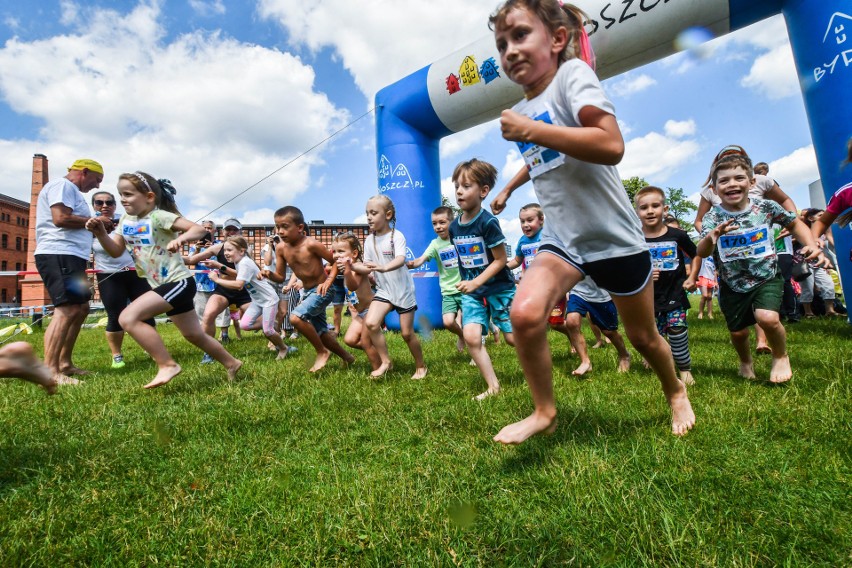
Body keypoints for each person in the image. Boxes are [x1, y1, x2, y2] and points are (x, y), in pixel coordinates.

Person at [488, 0, 695, 443]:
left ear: (557, 40)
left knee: (642, 337)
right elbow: (545, 155)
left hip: (613, 238)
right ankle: (544, 411)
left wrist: (530, 131)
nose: (509, 50)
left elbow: (609, 143)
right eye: (502, 44)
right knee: (524, 314)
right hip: (565, 237)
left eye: (520, 35)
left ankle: (674, 388)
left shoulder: (573, 77)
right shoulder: (524, 108)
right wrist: (508, 187)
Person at [86, 172, 242, 389]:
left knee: (128, 317)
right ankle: (232, 362)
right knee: (193, 335)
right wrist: (102, 233)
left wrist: (181, 239)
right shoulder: (124, 221)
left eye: (128, 194)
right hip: (162, 285)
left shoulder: (158, 216)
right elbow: (115, 251)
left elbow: (197, 230)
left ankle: (167, 364)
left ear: (149, 197)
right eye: (121, 194)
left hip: (178, 282)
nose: (122, 199)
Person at [695, 156, 827, 383]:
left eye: (739, 178)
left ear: (752, 182)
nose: (732, 184)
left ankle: (780, 355)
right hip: (732, 283)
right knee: (738, 332)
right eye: (724, 181)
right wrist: (711, 237)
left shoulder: (766, 207)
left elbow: (794, 223)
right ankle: (745, 361)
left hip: (766, 276)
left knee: (767, 318)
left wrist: (811, 243)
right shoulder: (713, 217)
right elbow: (702, 251)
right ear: (715, 189)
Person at [447, 159, 515, 400]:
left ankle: (538, 355)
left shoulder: (488, 222)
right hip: (473, 293)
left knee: (512, 338)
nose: (458, 191)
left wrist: (477, 281)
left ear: (484, 191)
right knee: (472, 337)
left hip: (500, 288)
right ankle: (493, 386)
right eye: (457, 186)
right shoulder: (454, 227)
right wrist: (469, 283)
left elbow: (499, 260)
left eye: (466, 186)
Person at [34, 158, 105, 385]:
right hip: (58, 253)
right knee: (66, 309)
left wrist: (96, 225)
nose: (96, 186)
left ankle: (64, 364)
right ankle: (49, 370)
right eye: (97, 180)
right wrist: (94, 222)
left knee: (81, 307)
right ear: (84, 172)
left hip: (72, 257)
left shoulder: (72, 191)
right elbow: (61, 218)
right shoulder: (62, 186)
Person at [263, 206, 355, 372]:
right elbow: (280, 276)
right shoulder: (281, 248)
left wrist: (328, 280)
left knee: (296, 317)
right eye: (277, 227)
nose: (280, 231)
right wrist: (268, 274)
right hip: (307, 293)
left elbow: (334, 261)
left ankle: (322, 352)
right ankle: (347, 357)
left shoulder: (311, 244)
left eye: (285, 226)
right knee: (321, 332)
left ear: (299, 228)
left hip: (323, 290)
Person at [351, 196, 428, 379]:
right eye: (367, 213)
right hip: (384, 291)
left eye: (373, 213)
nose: (369, 217)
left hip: (403, 291)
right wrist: (351, 266)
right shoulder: (369, 240)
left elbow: (401, 259)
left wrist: (384, 267)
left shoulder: (397, 236)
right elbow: (367, 265)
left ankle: (421, 366)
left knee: (407, 334)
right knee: (371, 323)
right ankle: (386, 361)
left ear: (388, 215)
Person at [636, 186, 700, 386]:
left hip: (675, 293)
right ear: (637, 212)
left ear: (665, 209)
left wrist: (693, 277)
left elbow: (697, 254)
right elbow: (627, 264)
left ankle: (685, 369)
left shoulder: (677, 235)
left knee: (677, 330)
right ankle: (655, 360)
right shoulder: (634, 238)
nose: (650, 211)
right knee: (653, 333)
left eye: (655, 206)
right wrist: (643, 275)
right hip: (647, 298)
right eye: (644, 207)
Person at [90, 190, 154, 369]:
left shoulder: (126, 220)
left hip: (135, 272)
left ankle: (151, 348)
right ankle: (117, 355)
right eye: (99, 202)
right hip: (108, 275)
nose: (104, 206)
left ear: (114, 205)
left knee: (147, 311)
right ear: (93, 205)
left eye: (109, 203)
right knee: (115, 315)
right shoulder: (89, 225)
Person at [209, 236, 296, 359]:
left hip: (269, 300)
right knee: (245, 325)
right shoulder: (238, 262)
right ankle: (270, 324)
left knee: (268, 331)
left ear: (241, 251)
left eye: (229, 250)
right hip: (257, 301)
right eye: (225, 250)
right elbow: (238, 275)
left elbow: (239, 285)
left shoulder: (245, 263)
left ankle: (283, 348)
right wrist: (220, 266)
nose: (226, 254)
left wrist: (217, 279)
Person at [185, 218, 252, 363]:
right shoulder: (217, 248)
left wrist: (218, 266)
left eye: (234, 230)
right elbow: (191, 260)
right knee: (208, 315)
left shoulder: (245, 250)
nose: (231, 232)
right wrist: (167, 255)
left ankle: (278, 344)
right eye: (228, 229)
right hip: (223, 290)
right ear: (223, 232)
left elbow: (245, 277)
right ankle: (209, 352)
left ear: (240, 232)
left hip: (242, 290)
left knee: (261, 320)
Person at [505, 202, 573, 341]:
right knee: (532, 318)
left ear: (541, 220)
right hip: (534, 288)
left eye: (530, 220)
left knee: (555, 323)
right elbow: (517, 261)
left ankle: (574, 336)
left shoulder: (549, 236)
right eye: (522, 221)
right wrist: (501, 267)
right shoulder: (522, 241)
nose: (525, 225)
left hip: (554, 287)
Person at [406, 206, 465, 352]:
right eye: (434, 223)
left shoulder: (460, 238)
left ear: (452, 222)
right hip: (448, 290)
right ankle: (463, 336)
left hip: (465, 288)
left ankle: (475, 348)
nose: (438, 227)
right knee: (448, 322)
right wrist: (408, 264)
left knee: (471, 322)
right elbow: (420, 260)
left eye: (442, 222)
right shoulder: (435, 244)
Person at [564, 276, 632, 375]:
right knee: (572, 323)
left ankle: (624, 355)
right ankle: (585, 361)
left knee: (609, 332)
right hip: (577, 292)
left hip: (602, 296)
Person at [333, 232, 381, 371]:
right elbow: (352, 294)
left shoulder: (357, 267)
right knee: (350, 340)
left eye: (341, 251)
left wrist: (348, 270)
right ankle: (380, 352)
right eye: (334, 251)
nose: (336, 255)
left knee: (366, 342)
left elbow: (353, 286)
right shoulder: (345, 269)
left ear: (354, 254)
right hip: (360, 313)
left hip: (371, 309)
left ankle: (379, 369)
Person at [185, 220, 231, 340]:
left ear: (215, 230)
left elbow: (225, 261)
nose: (206, 230)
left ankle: (224, 334)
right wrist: (198, 250)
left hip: (219, 283)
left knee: (222, 309)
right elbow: (191, 262)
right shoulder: (194, 247)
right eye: (204, 227)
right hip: (201, 284)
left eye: (209, 228)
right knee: (201, 310)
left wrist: (212, 250)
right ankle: (206, 336)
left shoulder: (220, 245)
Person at [796, 209, 841, 318]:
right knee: (807, 288)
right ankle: (808, 312)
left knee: (828, 284)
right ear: (811, 218)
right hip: (805, 262)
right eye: (820, 215)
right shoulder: (803, 230)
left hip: (820, 262)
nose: (824, 217)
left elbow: (830, 242)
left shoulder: (825, 230)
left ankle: (830, 310)